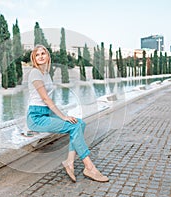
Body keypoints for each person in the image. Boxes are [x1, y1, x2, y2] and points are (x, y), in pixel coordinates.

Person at [26, 44, 109, 183]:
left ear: (48, 56)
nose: (40, 56)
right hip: (36, 117)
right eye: (37, 55)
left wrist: (61, 114)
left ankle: (70, 161)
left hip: (46, 114)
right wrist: (63, 116)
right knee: (74, 126)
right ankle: (89, 167)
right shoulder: (35, 73)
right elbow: (45, 99)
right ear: (34, 58)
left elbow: (49, 100)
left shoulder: (46, 74)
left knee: (79, 123)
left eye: (43, 53)